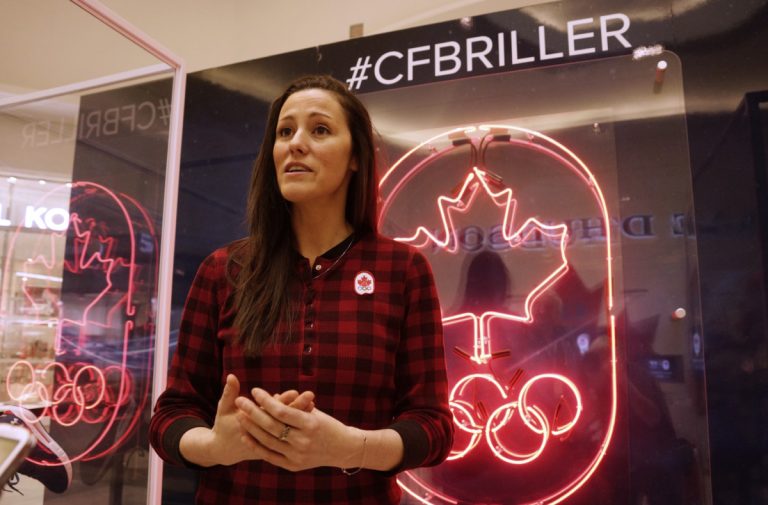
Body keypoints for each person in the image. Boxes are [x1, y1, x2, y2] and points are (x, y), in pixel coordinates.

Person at [149, 74, 453, 504]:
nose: (296, 143)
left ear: (355, 158)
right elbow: (170, 417)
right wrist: (215, 446)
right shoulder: (224, 270)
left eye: (320, 129)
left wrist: (350, 447)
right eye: (285, 131)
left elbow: (434, 427)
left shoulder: (402, 270)